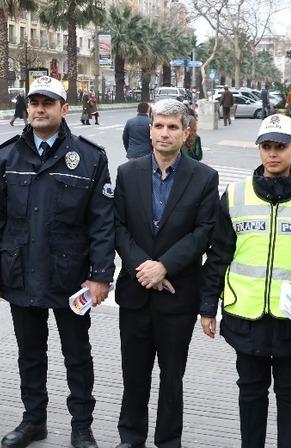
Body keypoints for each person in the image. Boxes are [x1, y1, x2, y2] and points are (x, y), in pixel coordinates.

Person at [0, 76, 115, 448]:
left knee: (77, 356)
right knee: (30, 354)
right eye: (34, 102)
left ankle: (81, 426)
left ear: (63, 109)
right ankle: (33, 420)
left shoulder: (89, 157)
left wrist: (101, 276)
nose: (39, 108)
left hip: (71, 278)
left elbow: (102, 222)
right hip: (20, 272)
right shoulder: (6, 156)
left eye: (47, 103)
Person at [201, 113, 291, 448]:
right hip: (246, 318)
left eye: (281, 146)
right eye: (266, 146)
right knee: (250, 393)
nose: (273, 153)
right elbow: (218, 255)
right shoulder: (235, 196)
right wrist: (208, 305)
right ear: (259, 150)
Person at [113, 99, 219, 448]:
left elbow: (203, 232)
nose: (164, 133)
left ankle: (168, 440)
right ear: (150, 129)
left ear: (186, 132)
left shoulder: (204, 177)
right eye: (159, 125)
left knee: (172, 376)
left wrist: (165, 266)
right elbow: (118, 226)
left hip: (178, 295)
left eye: (173, 127)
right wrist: (143, 267)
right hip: (135, 293)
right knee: (134, 373)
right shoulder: (128, 173)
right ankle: (131, 437)